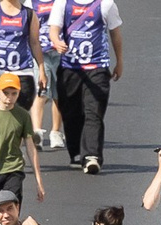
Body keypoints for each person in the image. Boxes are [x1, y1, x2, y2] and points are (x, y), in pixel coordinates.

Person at [46, 0, 123, 171]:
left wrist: (119, 61)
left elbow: (115, 33)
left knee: (93, 112)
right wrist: (56, 41)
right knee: (71, 112)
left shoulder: (106, 4)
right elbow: (53, 30)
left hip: (97, 67)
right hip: (69, 68)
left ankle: (92, 156)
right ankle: (76, 153)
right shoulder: (63, 3)